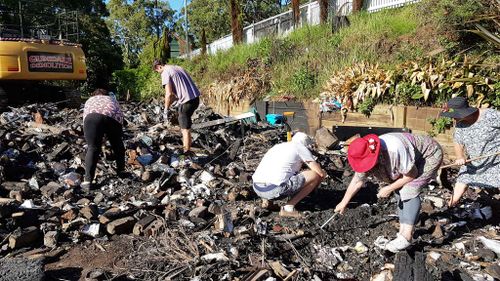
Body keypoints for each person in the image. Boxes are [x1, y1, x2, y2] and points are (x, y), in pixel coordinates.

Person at [334, 133, 443, 252]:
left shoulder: (393, 151)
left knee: (409, 189)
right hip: (409, 158)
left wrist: (388, 188)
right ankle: (402, 232)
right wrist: (344, 202)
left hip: (428, 155)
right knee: (399, 189)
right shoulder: (364, 153)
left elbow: (411, 175)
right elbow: (357, 181)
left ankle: (406, 236)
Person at [440, 96, 500, 207]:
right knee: (463, 178)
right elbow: (458, 141)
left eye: (455, 115)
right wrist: (459, 156)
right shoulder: (460, 123)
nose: (453, 119)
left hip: (495, 160)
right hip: (474, 160)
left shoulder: (491, 116)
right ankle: (450, 207)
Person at [252, 132, 327, 217]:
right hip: (273, 190)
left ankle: (266, 202)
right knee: (314, 175)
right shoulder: (300, 148)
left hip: (257, 188)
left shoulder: (278, 146)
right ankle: (288, 207)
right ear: (306, 144)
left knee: (275, 171)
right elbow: (319, 173)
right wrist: (319, 180)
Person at [153, 59, 201, 155]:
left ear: (159, 67)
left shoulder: (165, 72)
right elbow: (177, 92)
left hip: (187, 102)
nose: (159, 73)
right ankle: (188, 148)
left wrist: (166, 110)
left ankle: (186, 154)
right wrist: (173, 103)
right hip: (195, 99)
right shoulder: (178, 67)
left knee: (185, 129)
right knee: (185, 123)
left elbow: (169, 94)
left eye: (157, 71)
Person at [81, 88, 125, 189]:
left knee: (92, 148)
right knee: (117, 144)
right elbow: (120, 116)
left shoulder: (89, 101)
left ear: (93, 95)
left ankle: (87, 181)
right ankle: (121, 171)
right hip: (112, 118)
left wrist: (95, 138)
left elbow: (85, 119)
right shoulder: (112, 100)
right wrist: (116, 134)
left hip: (91, 118)